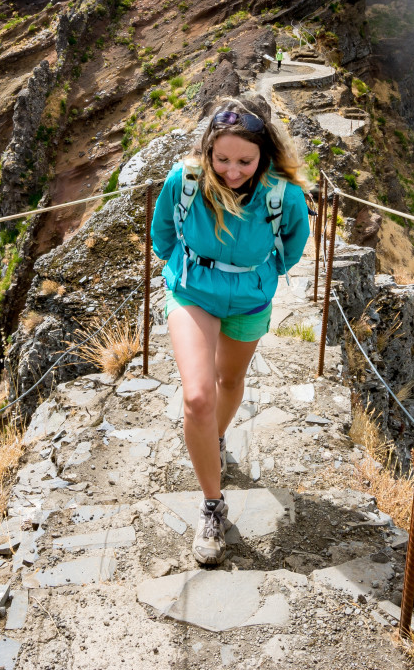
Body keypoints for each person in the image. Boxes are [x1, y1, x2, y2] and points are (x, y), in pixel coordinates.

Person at [150, 94, 311, 565]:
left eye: (244, 160)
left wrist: (257, 273)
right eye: (222, 159)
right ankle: (212, 506)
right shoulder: (186, 180)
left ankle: (214, 438)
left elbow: (294, 244)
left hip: (248, 297)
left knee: (230, 381)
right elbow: (163, 230)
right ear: (207, 151)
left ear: (264, 154)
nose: (232, 171)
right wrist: (184, 269)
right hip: (192, 290)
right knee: (198, 396)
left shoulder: (284, 194)